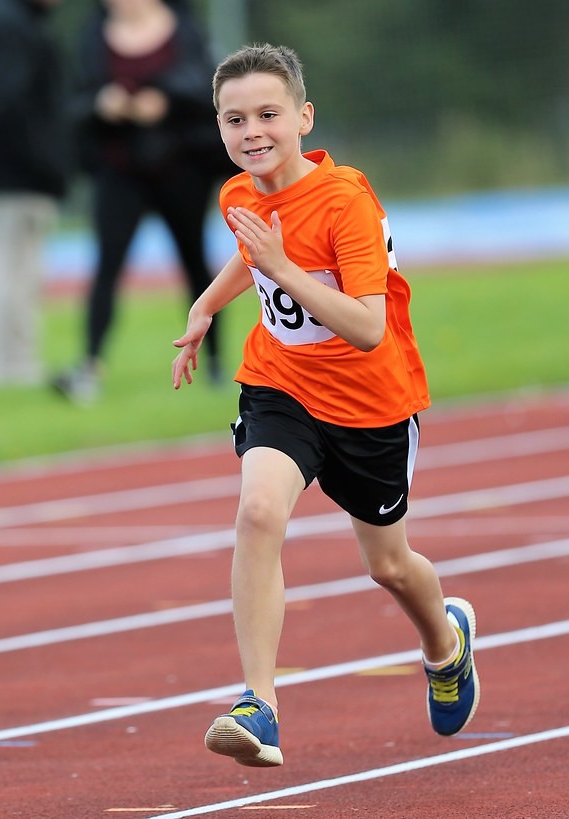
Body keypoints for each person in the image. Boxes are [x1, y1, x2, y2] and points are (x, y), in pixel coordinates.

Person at [171, 43, 479, 768]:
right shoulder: (239, 193)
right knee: (257, 511)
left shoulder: (346, 202)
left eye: (268, 115)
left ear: (303, 117)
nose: (252, 131)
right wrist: (209, 305)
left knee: (390, 565)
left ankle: (446, 643)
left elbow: (368, 325)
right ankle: (259, 704)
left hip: (371, 403)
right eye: (234, 118)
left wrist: (281, 267)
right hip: (281, 385)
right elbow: (252, 254)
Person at [51, 0, 231, 404]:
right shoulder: (93, 35)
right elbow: (76, 97)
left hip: (180, 165)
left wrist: (164, 100)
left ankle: (216, 362)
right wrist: (103, 104)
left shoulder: (184, 27)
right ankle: (90, 366)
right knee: (107, 263)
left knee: (194, 260)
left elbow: (208, 86)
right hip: (120, 168)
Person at [0, 0, 69, 388]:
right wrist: (48, 164)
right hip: (14, 174)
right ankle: (12, 369)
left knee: (19, 271)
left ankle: (15, 364)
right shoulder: (10, 26)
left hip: (11, 171)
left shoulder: (5, 20)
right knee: (13, 272)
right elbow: (8, 105)